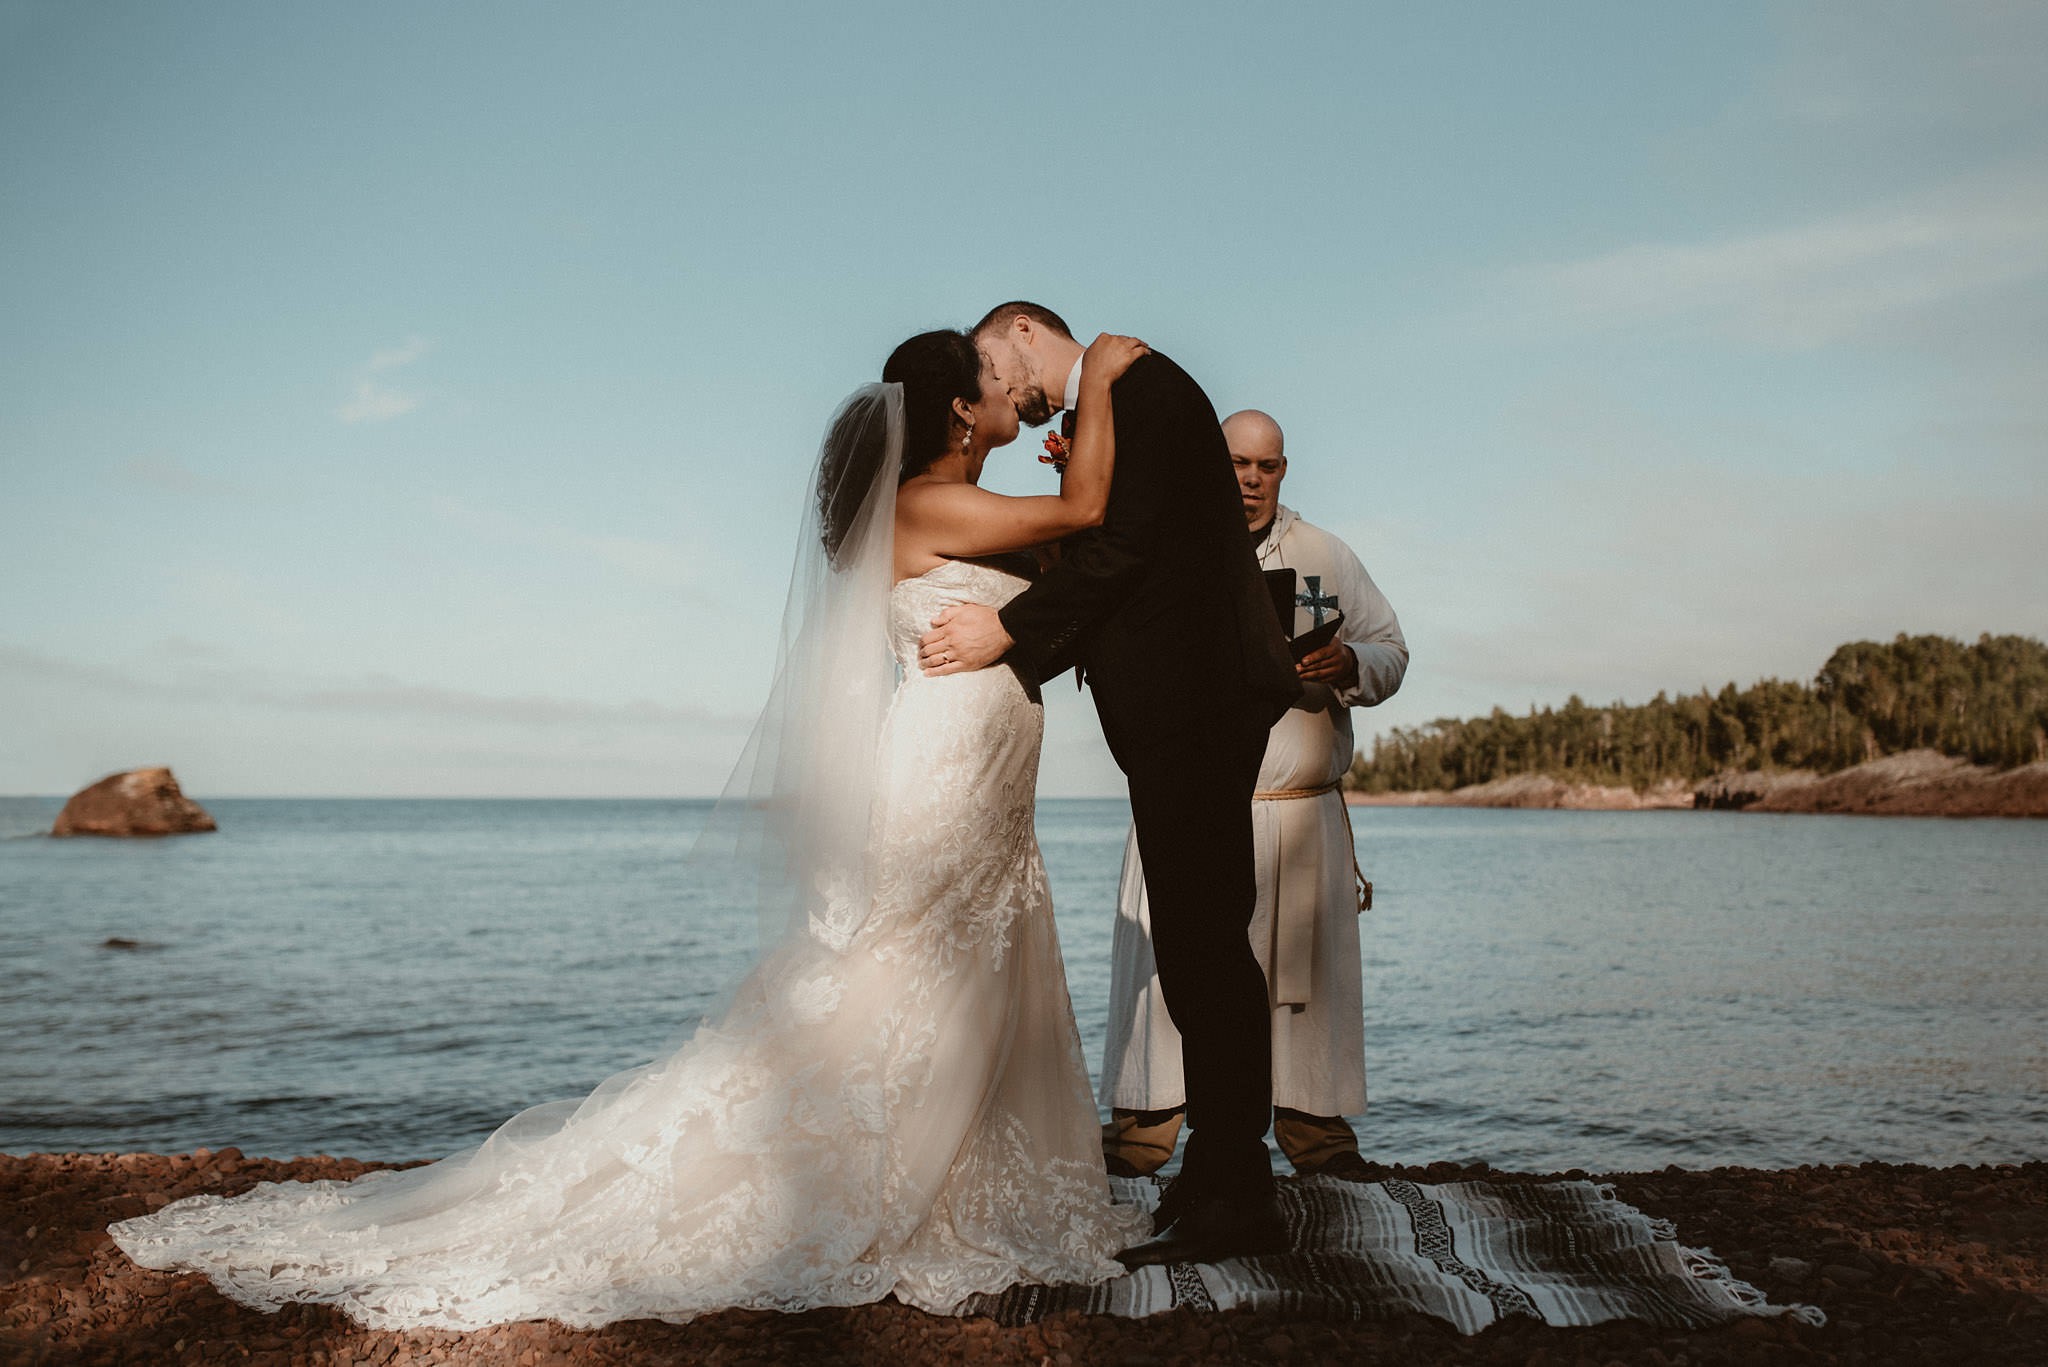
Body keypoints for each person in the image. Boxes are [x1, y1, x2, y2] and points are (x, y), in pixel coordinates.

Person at [108, 328, 1156, 1329]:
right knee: (915, 963)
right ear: (959, 409)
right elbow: (1088, 504)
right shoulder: (931, 500)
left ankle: (984, 1172)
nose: (1001, 386)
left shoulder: (949, 502)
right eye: (985, 376)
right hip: (943, 768)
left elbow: (1065, 560)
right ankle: (886, 1174)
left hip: (978, 761)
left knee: (968, 959)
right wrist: (1100, 377)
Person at [918, 304, 1302, 1268]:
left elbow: (1125, 550)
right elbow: (1128, 546)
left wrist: (1011, 633)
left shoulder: (1140, 386)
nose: (1008, 395)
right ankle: (1215, 1173)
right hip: (1179, 711)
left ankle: (1238, 1193)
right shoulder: (1115, 404)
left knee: (1206, 943)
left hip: (1199, 706)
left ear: (1020, 332)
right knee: (1192, 939)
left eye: (1002, 372)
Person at [1098, 409, 1408, 1182]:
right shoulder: (1169, 542)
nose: (1248, 478)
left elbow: (1393, 651)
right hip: (1189, 806)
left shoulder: (1325, 556)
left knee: (1301, 998)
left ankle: (1317, 1137)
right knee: (1172, 986)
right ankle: (1144, 1133)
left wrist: (1351, 665)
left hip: (1296, 813)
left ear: (1283, 470)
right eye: (1236, 462)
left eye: (1265, 466)